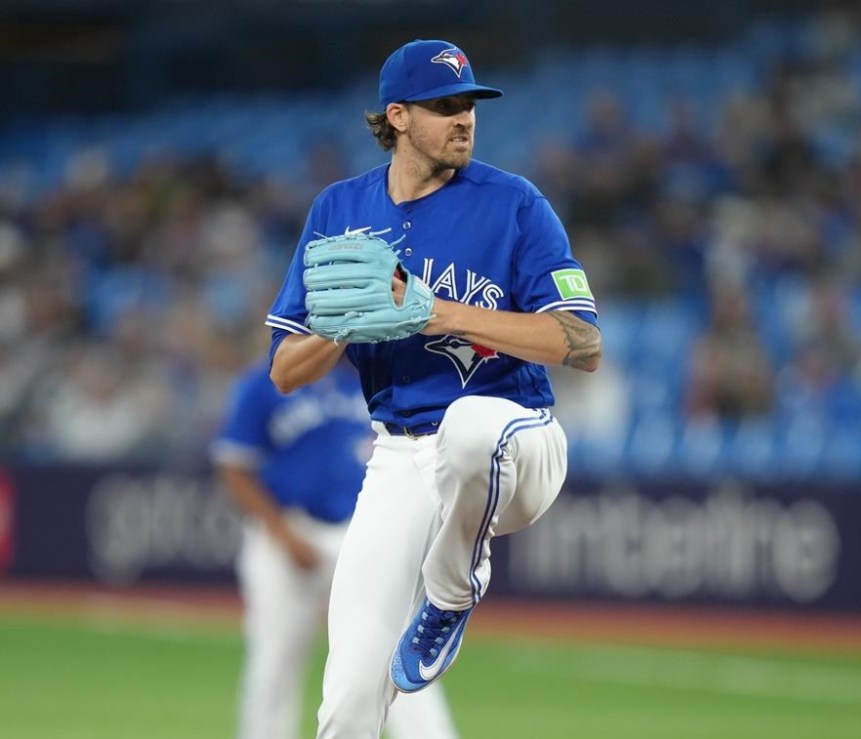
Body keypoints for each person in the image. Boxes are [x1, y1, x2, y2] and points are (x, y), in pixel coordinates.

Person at [265, 39, 602, 739]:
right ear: (398, 116)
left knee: (471, 426)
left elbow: (582, 342)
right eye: (446, 106)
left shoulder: (514, 203)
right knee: (351, 693)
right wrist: (345, 324)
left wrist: (430, 309)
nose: (465, 119)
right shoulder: (338, 209)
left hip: (520, 441)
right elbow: (285, 370)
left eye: (470, 105)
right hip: (398, 459)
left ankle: (451, 593)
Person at [212, 357, 460, 739]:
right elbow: (234, 467)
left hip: (357, 533)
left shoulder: (369, 379)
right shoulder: (265, 382)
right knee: (274, 666)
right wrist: (284, 536)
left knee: (395, 654)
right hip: (286, 535)